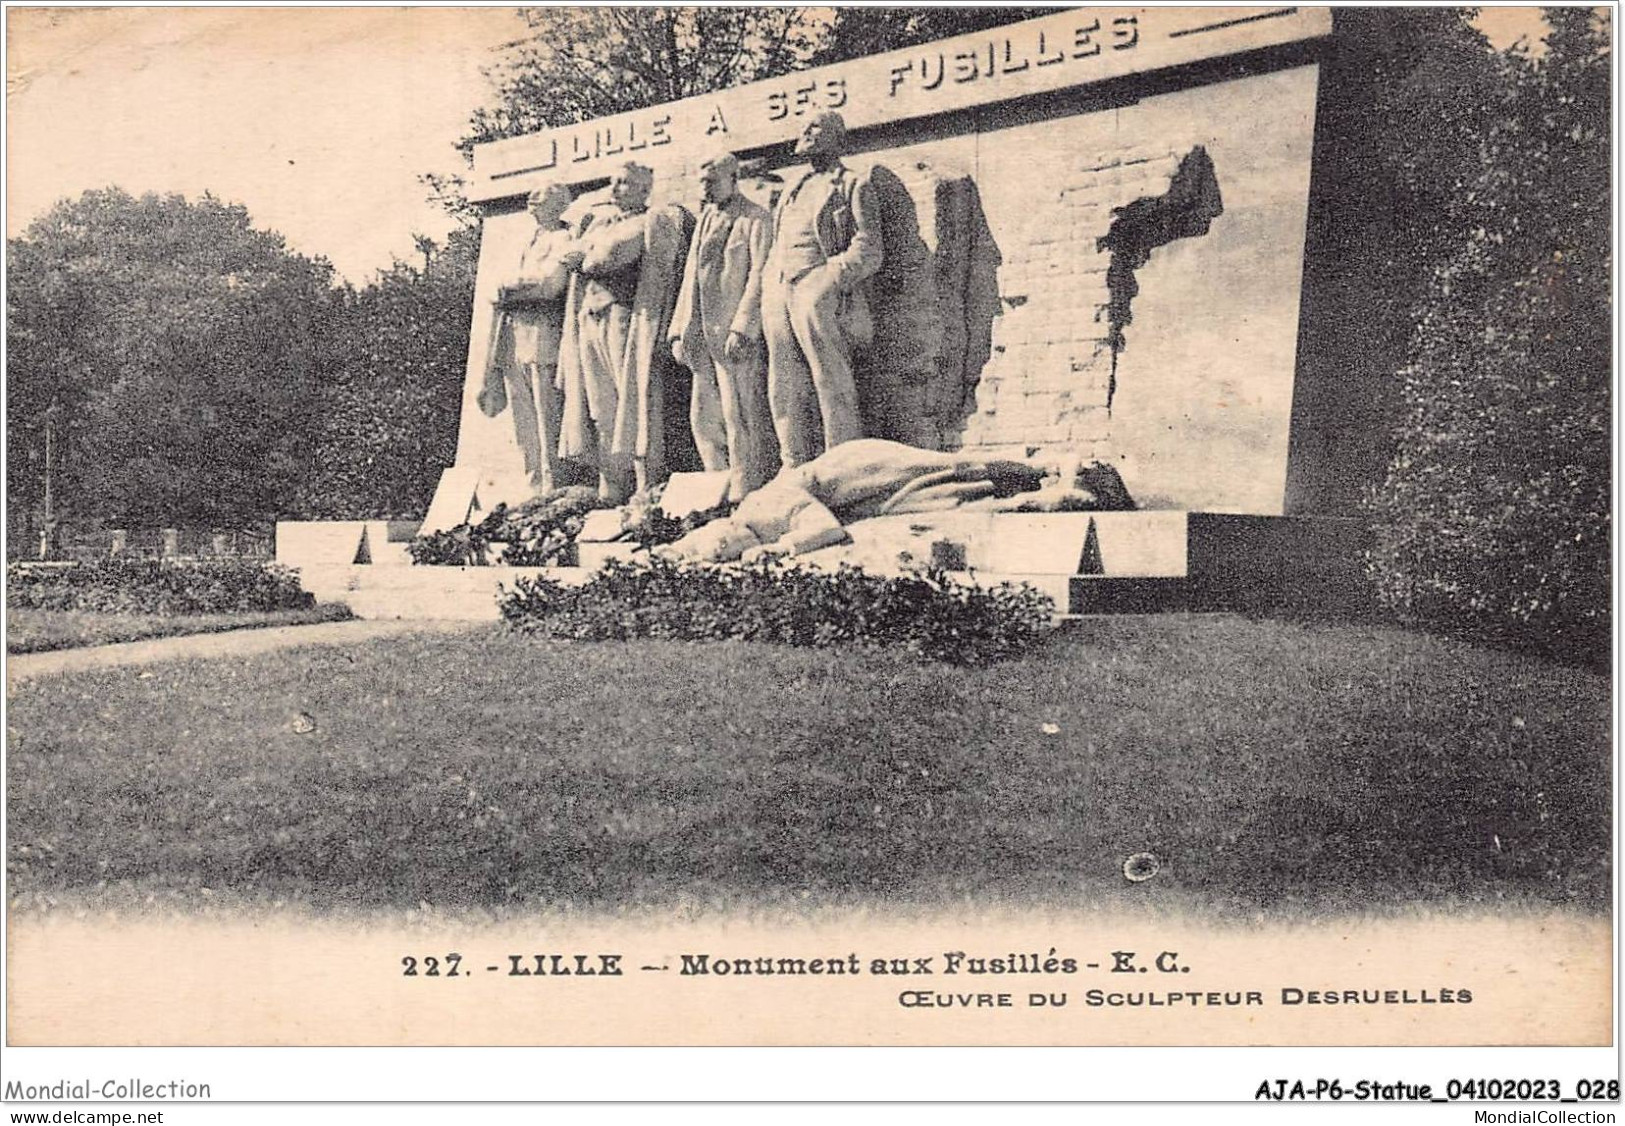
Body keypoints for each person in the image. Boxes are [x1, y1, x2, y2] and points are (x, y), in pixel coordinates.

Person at [665, 438, 1134, 564]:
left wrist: (783, 549)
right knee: (952, 497)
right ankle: (1047, 489)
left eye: (723, 549)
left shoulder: (767, 511)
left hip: (859, 473)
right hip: (870, 502)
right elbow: (686, 549)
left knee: (953, 468)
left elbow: (825, 528)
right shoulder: (745, 524)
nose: (726, 554)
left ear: (729, 532)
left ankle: (1048, 465)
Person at [556, 163, 692, 504]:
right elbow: (569, 256)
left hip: (625, 317)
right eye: (614, 181)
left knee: (634, 399)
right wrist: (587, 254)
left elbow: (604, 259)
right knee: (601, 406)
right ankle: (612, 484)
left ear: (645, 188)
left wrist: (585, 255)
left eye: (626, 183)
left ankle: (647, 483)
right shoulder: (599, 222)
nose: (616, 188)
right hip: (590, 316)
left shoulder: (648, 221)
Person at [762, 112, 885, 468]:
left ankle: (842, 459)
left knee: (829, 375)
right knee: (783, 382)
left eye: (815, 128)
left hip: (819, 288)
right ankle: (793, 462)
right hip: (781, 288)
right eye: (805, 128)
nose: (806, 133)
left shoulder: (852, 185)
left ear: (835, 138)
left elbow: (869, 246)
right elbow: (777, 242)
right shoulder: (792, 187)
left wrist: (831, 277)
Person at [670, 151, 778, 502]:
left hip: (734, 336)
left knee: (741, 416)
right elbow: (691, 277)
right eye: (702, 181)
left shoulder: (756, 219)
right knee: (703, 416)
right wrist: (680, 329)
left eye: (712, 181)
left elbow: (761, 275)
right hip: (703, 335)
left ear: (733, 179)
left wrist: (743, 327)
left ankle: (746, 489)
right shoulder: (704, 220)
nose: (706, 188)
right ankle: (715, 486)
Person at [478, 183, 576, 493]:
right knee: (525, 425)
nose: (532, 199)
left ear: (559, 204)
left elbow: (549, 285)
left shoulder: (565, 237)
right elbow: (505, 287)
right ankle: (534, 486)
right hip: (515, 338)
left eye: (542, 196)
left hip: (543, 335)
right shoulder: (530, 240)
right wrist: (516, 287)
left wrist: (511, 288)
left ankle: (554, 487)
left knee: (549, 419)